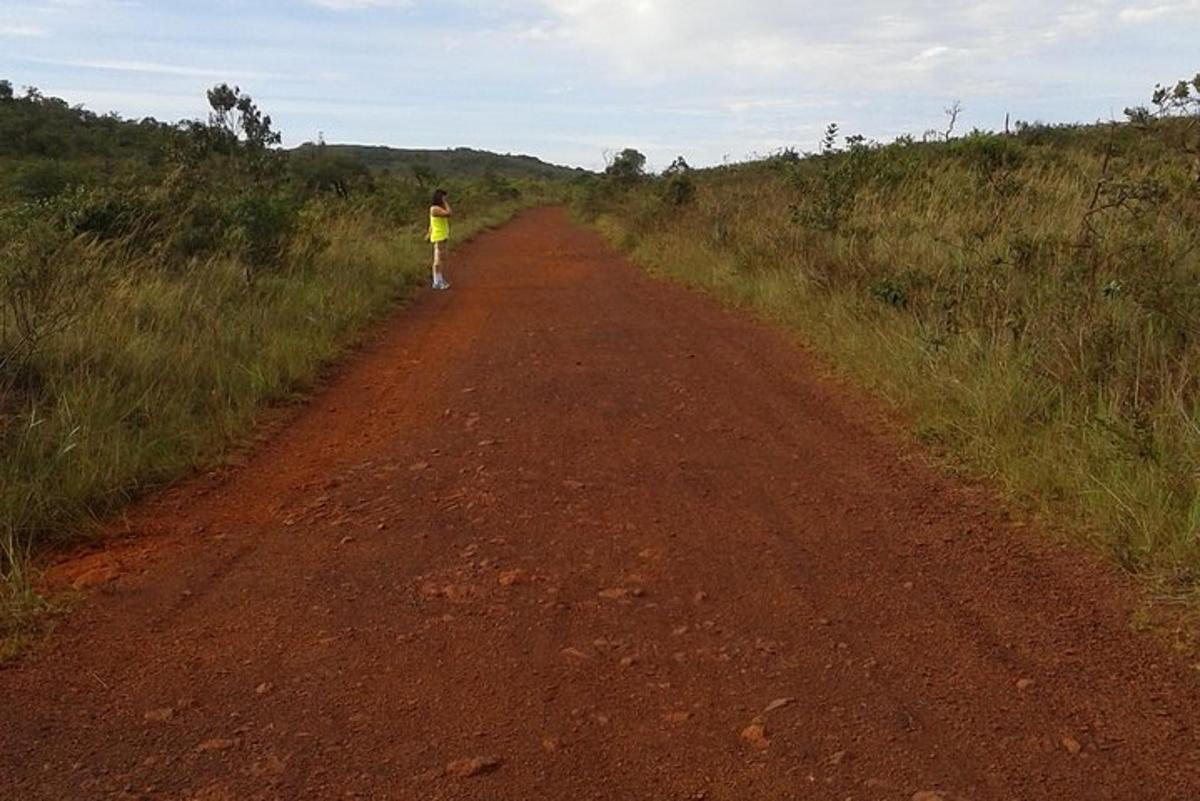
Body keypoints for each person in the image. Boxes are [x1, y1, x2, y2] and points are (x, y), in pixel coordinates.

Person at [428, 188, 453, 290]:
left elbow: (431, 224)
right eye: (443, 197)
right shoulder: (435, 209)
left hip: (442, 235)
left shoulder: (436, 208)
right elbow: (449, 213)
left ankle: (439, 279)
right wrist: (445, 202)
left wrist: (428, 233)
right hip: (439, 236)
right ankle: (437, 281)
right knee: (437, 259)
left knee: (440, 258)